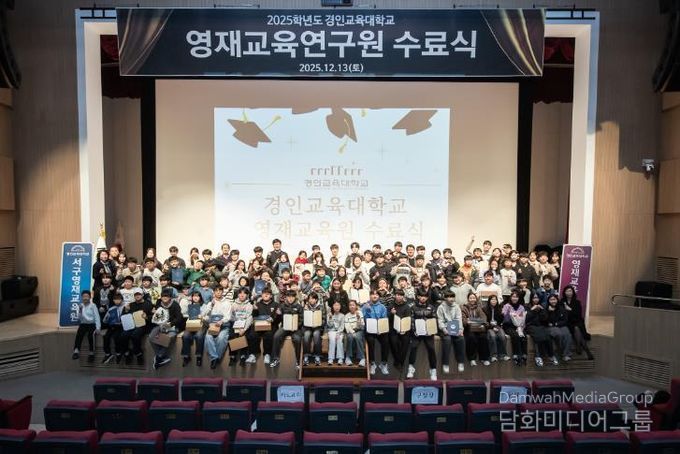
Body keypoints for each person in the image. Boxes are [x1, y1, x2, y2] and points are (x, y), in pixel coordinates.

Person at [406, 288, 438, 380]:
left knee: (431, 349)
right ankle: (411, 368)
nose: (423, 298)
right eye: (421, 296)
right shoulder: (413, 307)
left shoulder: (431, 307)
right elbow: (411, 320)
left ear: (427, 297)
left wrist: (431, 331)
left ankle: (433, 370)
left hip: (428, 333)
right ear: (418, 297)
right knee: (413, 347)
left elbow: (434, 319)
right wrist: (414, 331)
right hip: (417, 332)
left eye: (425, 296)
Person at [149, 288, 183, 369]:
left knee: (166, 338)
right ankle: (161, 357)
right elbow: (157, 316)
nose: (165, 298)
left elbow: (179, 318)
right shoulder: (159, 303)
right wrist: (153, 313)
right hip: (160, 325)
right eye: (163, 296)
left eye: (167, 296)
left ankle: (159, 357)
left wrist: (170, 324)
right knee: (151, 337)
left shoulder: (175, 305)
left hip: (172, 326)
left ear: (170, 297)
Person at [270, 290, 304, 369]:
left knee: (297, 339)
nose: (290, 298)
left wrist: (295, 326)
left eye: (292, 297)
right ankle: (275, 359)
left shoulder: (299, 307)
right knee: (276, 336)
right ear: (286, 297)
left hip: (296, 328)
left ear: (295, 297)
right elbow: (277, 320)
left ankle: (298, 361)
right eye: (289, 297)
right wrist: (277, 315)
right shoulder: (282, 306)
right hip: (285, 327)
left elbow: (302, 319)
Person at [120, 289, 153, 365]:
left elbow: (153, 317)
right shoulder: (130, 305)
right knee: (123, 335)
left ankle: (138, 354)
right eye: (136, 294)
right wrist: (126, 311)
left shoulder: (148, 304)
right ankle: (127, 353)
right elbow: (123, 317)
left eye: (139, 294)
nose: (137, 296)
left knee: (135, 335)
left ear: (142, 295)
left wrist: (147, 317)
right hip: (131, 325)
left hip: (143, 326)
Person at [247, 287, 279, 365]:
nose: (266, 295)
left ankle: (267, 354)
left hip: (271, 325)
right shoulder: (257, 304)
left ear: (271, 296)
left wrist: (274, 318)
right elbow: (254, 317)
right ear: (261, 295)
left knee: (268, 334)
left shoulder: (276, 304)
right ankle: (253, 354)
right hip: (259, 325)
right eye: (264, 293)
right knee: (252, 334)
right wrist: (255, 310)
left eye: (268, 294)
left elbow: (279, 319)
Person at [362, 290, 390, 376]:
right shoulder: (365, 306)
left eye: (376, 295)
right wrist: (367, 311)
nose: (374, 296)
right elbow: (362, 319)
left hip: (379, 329)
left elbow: (384, 319)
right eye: (372, 294)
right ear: (370, 296)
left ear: (379, 296)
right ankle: (372, 363)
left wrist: (380, 329)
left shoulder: (382, 307)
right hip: (369, 329)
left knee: (386, 341)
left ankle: (383, 363)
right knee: (371, 341)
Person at [561, 285, 594, 360]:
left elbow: (578, 314)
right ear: (564, 292)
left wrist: (570, 310)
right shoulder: (562, 302)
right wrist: (568, 311)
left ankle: (579, 346)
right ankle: (586, 351)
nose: (569, 293)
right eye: (567, 291)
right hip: (568, 322)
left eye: (570, 291)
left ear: (573, 292)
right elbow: (562, 314)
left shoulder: (577, 302)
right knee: (576, 328)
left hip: (577, 320)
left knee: (577, 327)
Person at [181, 289, 212, 367]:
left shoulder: (204, 305)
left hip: (201, 324)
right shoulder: (189, 305)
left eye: (197, 296)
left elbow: (208, 318)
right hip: (191, 324)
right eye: (194, 296)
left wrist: (202, 317)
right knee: (185, 336)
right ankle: (186, 356)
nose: (195, 298)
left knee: (199, 335)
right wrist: (189, 315)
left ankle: (199, 356)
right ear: (192, 297)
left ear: (200, 297)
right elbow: (183, 314)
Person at [437, 290, 465, 373]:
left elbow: (459, 319)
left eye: (452, 297)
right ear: (445, 298)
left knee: (461, 339)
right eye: (449, 297)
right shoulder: (441, 307)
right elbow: (440, 320)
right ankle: (445, 363)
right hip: (444, 328)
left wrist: (460, 330)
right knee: (447, 340)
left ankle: (460, 362)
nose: (451, 298)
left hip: (455, 327)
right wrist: (444, 329)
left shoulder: (457, 306)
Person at [204, 287, 232, 369]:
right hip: (213, 326)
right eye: (216, 291)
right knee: (208, 337)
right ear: (214, 292)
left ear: (222, 292)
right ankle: (214, 358)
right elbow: (205, 315)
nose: (218, 292)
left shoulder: (227, 303)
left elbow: (228, 316)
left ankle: (216, 358)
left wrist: (221, 321)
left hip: (224, 326)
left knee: (221, 338)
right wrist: (211, 305)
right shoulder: (210, 303)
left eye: (220, 291)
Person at [71, 290, 101, 362]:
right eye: (84, 296)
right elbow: (80, 318)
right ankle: (76, 351)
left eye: (87, 296)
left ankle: (91, 353)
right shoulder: (80, 306)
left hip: (92, 324)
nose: (85, 298)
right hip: (83, 324)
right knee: (79, 334)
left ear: (90, 297)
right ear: (82, 297)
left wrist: (98, 327)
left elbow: (97, 317)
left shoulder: (93, 306)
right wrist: (80, 310)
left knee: (91, 335)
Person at [462, 292, 490, 366]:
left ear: (476, 299)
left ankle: (484, 358)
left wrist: (472, 320)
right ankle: (472, 359)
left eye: (473, 298)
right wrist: (473, 321)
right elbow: (464, 320)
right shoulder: (464, 308)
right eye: (470, 298)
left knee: (483, 337)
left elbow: (483, 318)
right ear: (468, 299)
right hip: (468, 328)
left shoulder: (478, 308)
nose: (472, 299)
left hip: (479, 328)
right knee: (471, 337)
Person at [525, 292, 552, 366]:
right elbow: (526, 319)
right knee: (538, 337)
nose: (535, 299)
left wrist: (542, 310)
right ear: (531, 298)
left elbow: (545, 319)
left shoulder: (542, 306)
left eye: (537, 298)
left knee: (547, 335)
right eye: (534, 298)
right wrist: (531, 310)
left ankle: (550, 355)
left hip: (540, 326)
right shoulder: (527, 306)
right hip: (530, 326)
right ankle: (538, 356)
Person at [228, 287, 254, 366]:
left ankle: (243, 356)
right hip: (235, 324)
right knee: (231, 336)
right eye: (240, 293)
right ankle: (232, 356)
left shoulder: (249, 305)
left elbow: (249, 318)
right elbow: (231, 316)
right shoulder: (233, 304)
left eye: (244, 293)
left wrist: (244, 329)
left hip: (245, 325)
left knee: (245, 336)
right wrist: (237, 324)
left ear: (247, 295)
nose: (242, 295)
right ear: (237, 294)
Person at [502, 289, 528, 365]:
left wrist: (520, 328)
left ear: (519, 298)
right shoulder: (507, 306)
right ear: (510, 297)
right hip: (509, 326)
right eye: (513, 296)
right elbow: (504, 317)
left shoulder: (521, 307)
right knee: (515, 336)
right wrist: (508, 312)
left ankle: (524, 354)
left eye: (516, 297)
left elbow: (523, 319)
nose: (515, 298)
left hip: (519, 326)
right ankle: (516, 355)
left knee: (523, 335)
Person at [388, 289, 412, 371]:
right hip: (393, 328)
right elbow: (387, 318)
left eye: (401, 295)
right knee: (393, 342)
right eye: (397, 295)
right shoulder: (391, 305)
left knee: (405, 343)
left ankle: (400, 362)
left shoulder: (407, 306)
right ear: (395, 296)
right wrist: (391, 314)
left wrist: (404, 329)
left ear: (403, 296)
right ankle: (398, 361)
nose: (399, 297)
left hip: (404, 328)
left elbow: (408, 319)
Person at [545, 294, 572, 363]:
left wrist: (556, 323)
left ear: (557, 300)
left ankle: (566, 355)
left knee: (567, 334)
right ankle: (561, 352)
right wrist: (550, 312)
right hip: (550, 327)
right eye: (551, 300)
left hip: (561, 325)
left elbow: (565, 320)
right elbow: (546, 321)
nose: (553, 301)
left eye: (554, 299)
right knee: (558, 334)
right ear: (548, 301)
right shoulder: (546, 309)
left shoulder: (561, 308)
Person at [302, 292, 326, 366]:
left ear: (316, 300)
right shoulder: (306, 307)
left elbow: (324, 319)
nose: (311, 300)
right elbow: (302, 319)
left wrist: (319, 324)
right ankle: (306, 356)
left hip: (318, 327)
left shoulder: (321, 307)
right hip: (308, 327)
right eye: (310, 299)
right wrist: (305, 311)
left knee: (316, 335)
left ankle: (317, 356)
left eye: (313, 299)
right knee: (306, 335)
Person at [484, 295, 510, 362]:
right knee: (493, 336)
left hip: (497, 326)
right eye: (492, 299)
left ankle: (503, 355)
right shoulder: (484, 309)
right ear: (489, 300)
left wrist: (502, 315)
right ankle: (493, 356)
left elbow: (500, 321)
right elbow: (484, 321)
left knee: (502, 336)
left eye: (495, 299)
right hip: (489, 327)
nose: (494, 301)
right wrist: (492, 327)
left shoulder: (499, 309)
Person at [102, 293, 125, 364]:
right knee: (105, 337)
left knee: (116, 337)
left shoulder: (125, 307)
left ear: (122, 300)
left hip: (122, 327)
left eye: (118, 299)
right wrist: (107, 318)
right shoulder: (111, 309)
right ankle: (108, 354)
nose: (117, 301)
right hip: (112, 326)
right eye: (115, 300)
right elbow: (104, 321)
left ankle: (118, 353)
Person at [344, 300, 365, 366]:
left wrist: (358, 319)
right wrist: (353, 332)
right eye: (350, 305)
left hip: (359, 330)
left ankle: (362, 358)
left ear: (356, 306)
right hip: (351, 331)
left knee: (357, 337)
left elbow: (362, 325)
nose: (352, 306)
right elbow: (347, 327)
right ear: (348, 307)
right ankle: (348, 357)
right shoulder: (347, 315)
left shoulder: (360, 313)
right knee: (349, 337)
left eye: (353, 305)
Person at [326, 301, 345, 365]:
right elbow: (329, 326)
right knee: (332, 340)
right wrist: (330, 318)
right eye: (335, 305)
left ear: (340, 307)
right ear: (333, 307)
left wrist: (338, 333)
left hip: (339, 331)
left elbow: (342, 326)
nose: (337, 307)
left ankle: (340, 358)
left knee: (339, 340)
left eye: (338, 305)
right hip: (331, 331)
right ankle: (330, 358)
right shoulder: (329, 314)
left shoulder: (342, 315)